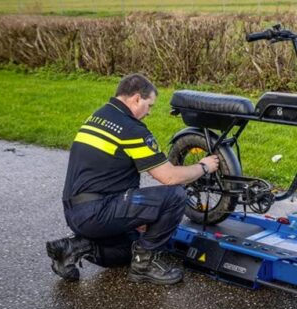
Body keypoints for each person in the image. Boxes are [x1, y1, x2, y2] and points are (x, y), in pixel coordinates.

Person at [45, 73, 219, 284]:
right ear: (137, 98)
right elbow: (170, 177)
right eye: (150, 105)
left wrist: (134, 216)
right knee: (175, 195)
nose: (149, 113)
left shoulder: (99, 116)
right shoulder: (131, 128)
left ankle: (72, 248)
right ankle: (144, 265)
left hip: (76, 212)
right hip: (98, 210)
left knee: (130, 246)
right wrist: (204, 166)